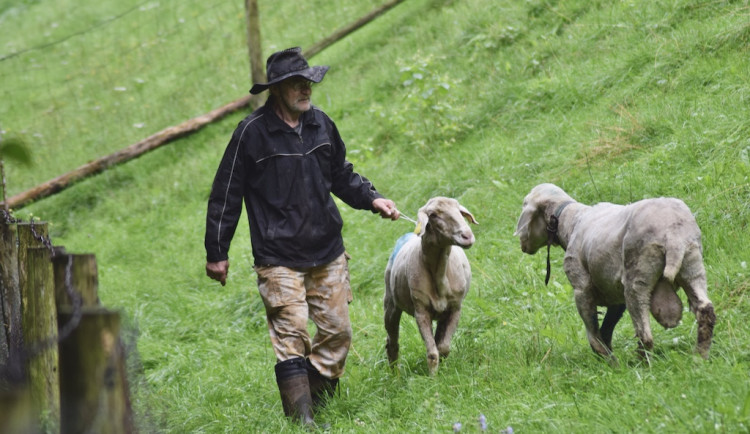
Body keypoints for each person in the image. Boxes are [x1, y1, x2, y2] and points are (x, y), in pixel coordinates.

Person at [204, 47, 400, 426]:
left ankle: (317, 406)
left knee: (338, 335)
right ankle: (303, 422)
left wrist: (373, 198)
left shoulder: (321, 124)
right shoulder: (251, 134)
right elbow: (226, 193)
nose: (305, 89)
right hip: (277, 256)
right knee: (291, 334)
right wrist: (217, 251)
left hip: (327, 250)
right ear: (276, 90)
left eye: (308, 82)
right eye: (296, 84)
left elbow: (341, 174)